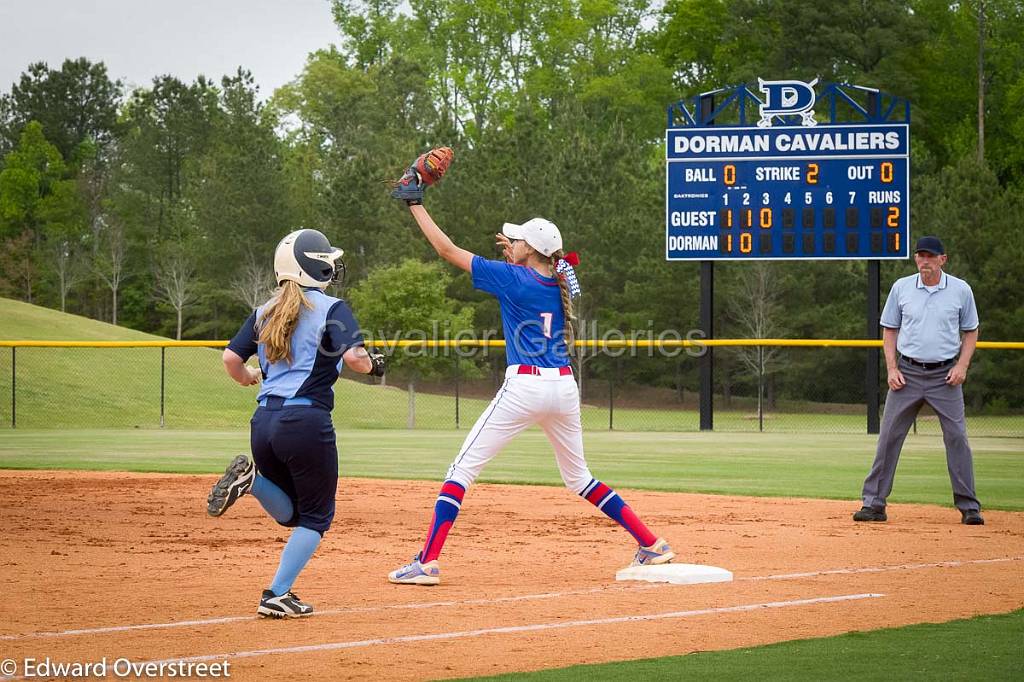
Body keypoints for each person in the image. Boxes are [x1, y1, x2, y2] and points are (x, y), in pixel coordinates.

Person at [386, 196, 674, 586]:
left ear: (530, 249)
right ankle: (651, 544)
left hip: (525, 386)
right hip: (563, 387)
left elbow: (445, 249)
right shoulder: (558, 281)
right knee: (580, 478)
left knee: (461, 470)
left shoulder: (512, 278)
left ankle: (427, 562)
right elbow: (531, 272)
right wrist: (517, 254)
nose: (511, 243)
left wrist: (414, 204)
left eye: (516, 240)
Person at [206, 228, 385, 617]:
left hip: (264, 421)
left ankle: (251, 480)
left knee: (291, 513)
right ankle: (276, 594)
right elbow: (355, 359)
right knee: (317, 518)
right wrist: (374, 366)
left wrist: (251, 377)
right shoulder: (332, 308)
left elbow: (230, 361)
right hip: (305, 421)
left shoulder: (262, 312)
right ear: (313, 269)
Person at [854, 236, 983, 525]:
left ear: (942, 259)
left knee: (957, 438)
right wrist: (891, 369)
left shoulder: (960, 290)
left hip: (946, 376)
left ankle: (969, 506)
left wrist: (962, 365)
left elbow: (971, 331)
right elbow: (889, 329)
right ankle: (874, 503)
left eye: (930, 256)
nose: (924, 261)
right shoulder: (902, 288)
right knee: (888, 437)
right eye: (920, 256)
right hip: (907, 373)